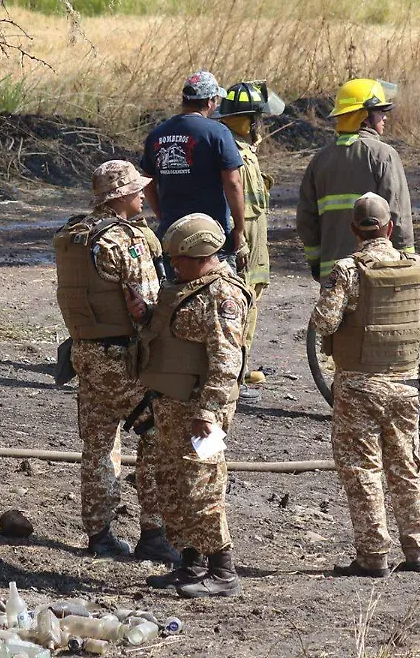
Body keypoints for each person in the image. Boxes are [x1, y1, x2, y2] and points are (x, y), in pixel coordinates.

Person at [309, 193, 420, 577]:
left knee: (363, 470)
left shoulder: (347, 269)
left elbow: (323, 323)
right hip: (406, 385)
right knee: (406, 466)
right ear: (390, 228)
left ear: (354, 230)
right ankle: (417, 551)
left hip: (358, 386)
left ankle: (373, 556)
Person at [52, 160, 179, 564]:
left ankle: (99, 533)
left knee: (98, 445)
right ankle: (154, 533)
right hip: (123, 357)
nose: (144, 195)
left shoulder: (74, 235)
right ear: (122, 195)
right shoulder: (122, 240)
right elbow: (148, 303)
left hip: (84, 354)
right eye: (138, 190)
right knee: (157, 436)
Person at [296, 77, 420, 422]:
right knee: (398, 337)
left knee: (346, 342)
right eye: (379, 112)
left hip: (337, 271)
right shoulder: (383, 155)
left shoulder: (320, 161)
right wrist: (407, 263)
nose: (385, 119)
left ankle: (351, 403)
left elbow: (305, 221)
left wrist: (320, 266)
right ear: (363, 117)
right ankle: (414, 404)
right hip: (383, 272)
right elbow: (398, 215)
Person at [126, 213, 253, 598]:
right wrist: (144, 315)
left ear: (201, 254)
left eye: (179, 258)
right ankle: (191, 561)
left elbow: (227, 360)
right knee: (172, 484)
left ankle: (223, 569)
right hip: (170, 404)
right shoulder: (184, 287)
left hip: (200, 411)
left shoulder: (223, 294)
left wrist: (209, 410)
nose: (173, 265)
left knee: (202, 488)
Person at [214, 80, 284, 402]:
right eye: (259, 117)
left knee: (250, 296)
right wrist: (239, 237)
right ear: (249, 119)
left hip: (255, 238)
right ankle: (233, 374)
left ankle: (238, 368)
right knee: (242, 302)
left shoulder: (240, 148)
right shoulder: (231, 151)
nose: (262, 124)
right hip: (244, 239)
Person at [141, 71, 247, 273]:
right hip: (210, 234)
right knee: (219, 293)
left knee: (175, 295)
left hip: (172, 233)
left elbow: (147, 182)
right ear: (209, 102)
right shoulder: (218, 132)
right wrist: (239, 229)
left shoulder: (157, 134)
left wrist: (163, 216)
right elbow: (233, 183)